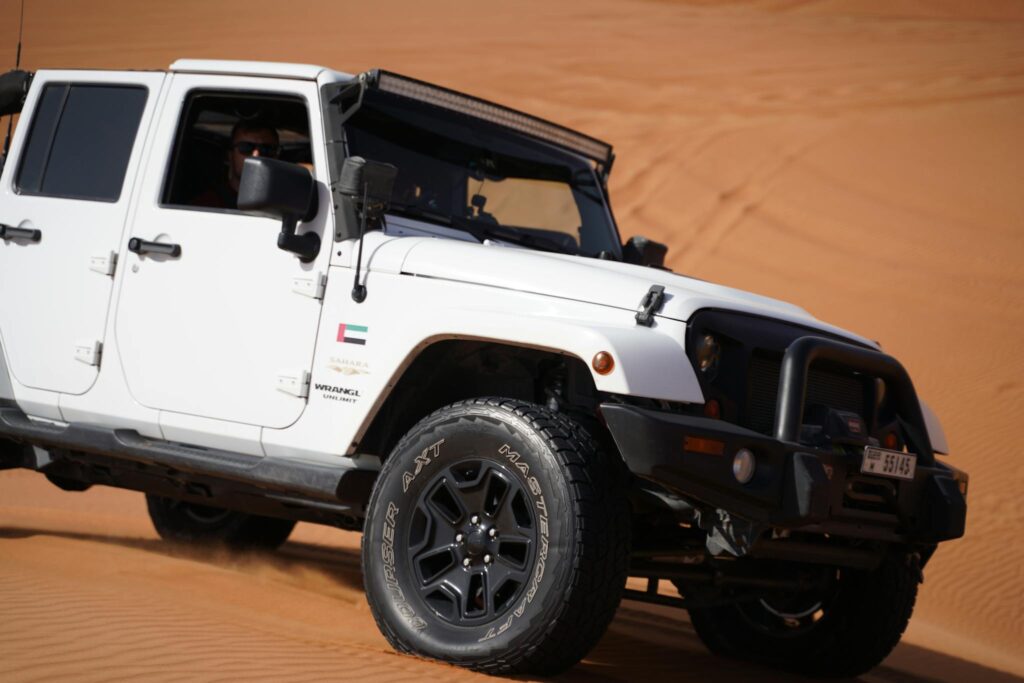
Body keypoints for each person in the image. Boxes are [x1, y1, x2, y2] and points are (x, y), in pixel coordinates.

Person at [192, 119, 280, 209]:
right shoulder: (207, 205)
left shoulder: (286, 204)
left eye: (267, 149)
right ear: (230, 155)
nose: (256, 155)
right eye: (245, 147)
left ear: (276, 156)